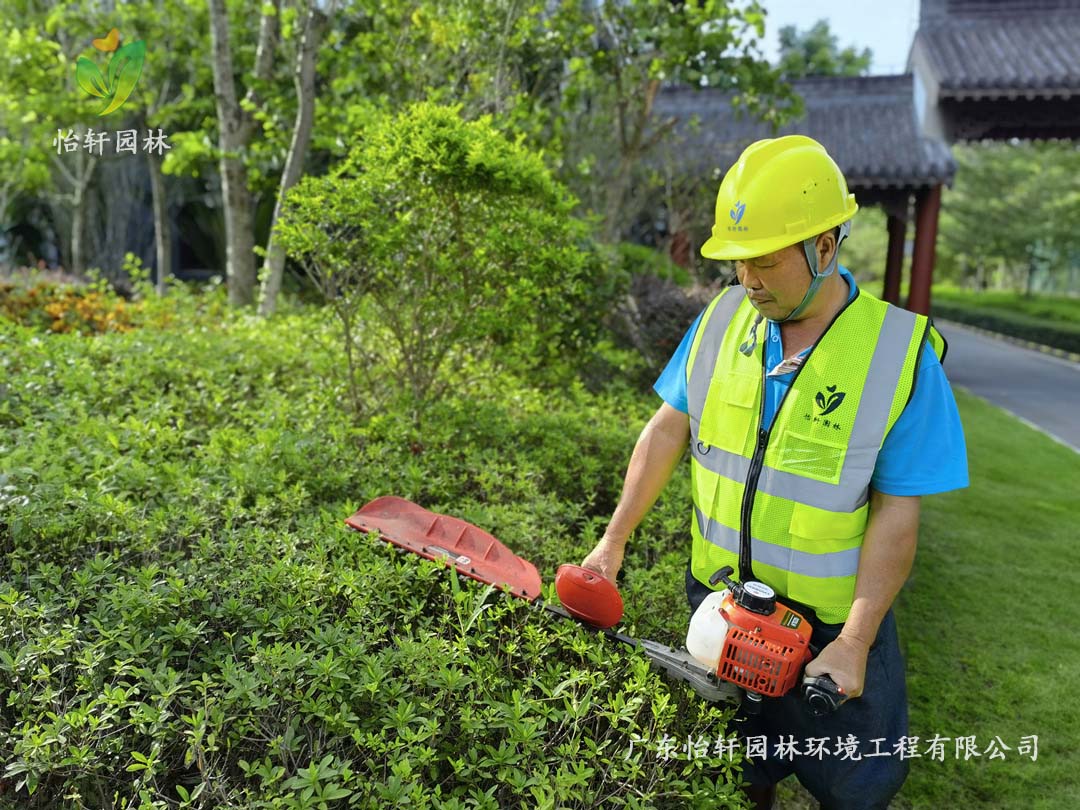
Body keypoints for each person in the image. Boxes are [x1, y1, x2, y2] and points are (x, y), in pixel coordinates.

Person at [581, 135, 968, 809]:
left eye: (764, 263)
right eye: (738, 264)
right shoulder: (722, 320)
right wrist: (613, 542)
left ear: (825, 246)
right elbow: (668, 428)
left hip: (829, 634)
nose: (748, 281)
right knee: (734, 767)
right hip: (721, 607)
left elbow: (898, 512)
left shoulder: (899, 355)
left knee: (852, 785)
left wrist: (855, 639)